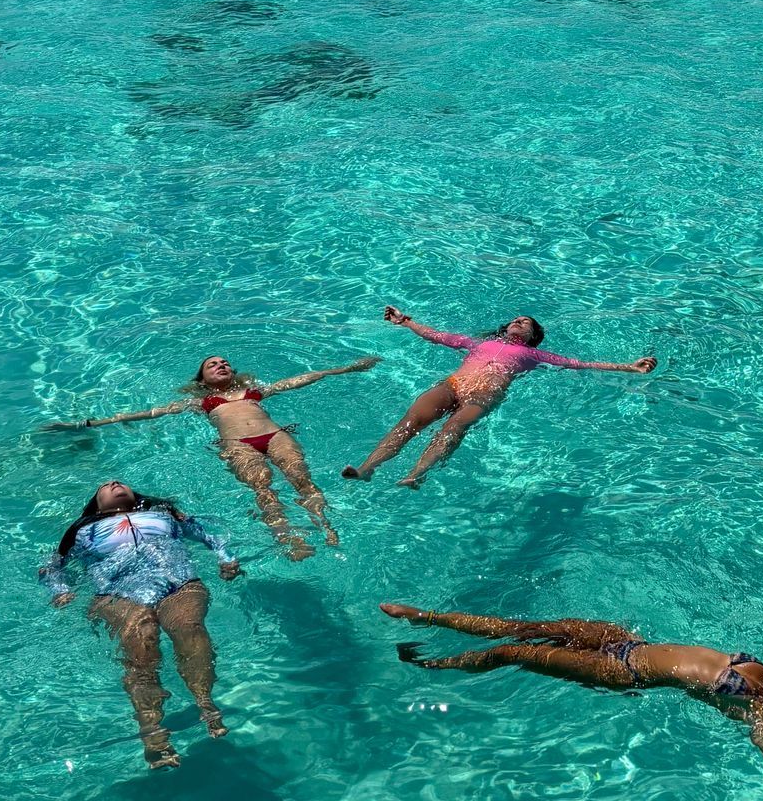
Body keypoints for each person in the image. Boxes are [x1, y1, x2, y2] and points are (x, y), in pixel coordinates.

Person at [379, 600, 763, 801]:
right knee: (523, 628)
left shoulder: (760, 715)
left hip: (622, 674)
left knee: (514, 654)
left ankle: (436, 663)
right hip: (626, 641)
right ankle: (427, 615)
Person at [46, 352, 377, 560]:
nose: (221, 365)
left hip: (275, 435)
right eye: (212, 364)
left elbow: (301, 379)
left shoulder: (254, 391)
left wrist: (349, 368)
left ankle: (328, 528)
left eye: (225, 362)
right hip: (238, 445)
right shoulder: (201, 403)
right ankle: (287, 536)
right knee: (263, 489)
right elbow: (148, 413)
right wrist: (86, 424)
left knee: (303, 481)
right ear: (202, 379)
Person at [41, 481, 241, 768]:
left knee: (188, 628)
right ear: (96, 505)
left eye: (119, 483)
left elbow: (208, 535)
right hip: (117, 593)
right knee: (141, 648)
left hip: (179, 583)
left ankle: (205, 703)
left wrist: (226, 558)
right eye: (104, 487)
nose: (113, 483)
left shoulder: (163, 513)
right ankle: (151, 730)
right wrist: (59, 590)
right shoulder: (81, 531)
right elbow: (51, 567)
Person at [343, 309, 656, 489]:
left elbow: (579, 363)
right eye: (515, 320)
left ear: (532, 336)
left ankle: (415, 475)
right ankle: (367, 468)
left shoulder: (534, 355)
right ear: (505, 327)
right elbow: (438, 335)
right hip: (453, 384)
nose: (518, 322)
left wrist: (629, 367)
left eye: (526, 323)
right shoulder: (477, 343)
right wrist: (406, 321)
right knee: (410, 423)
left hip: (483, 395)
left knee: (452, 430)